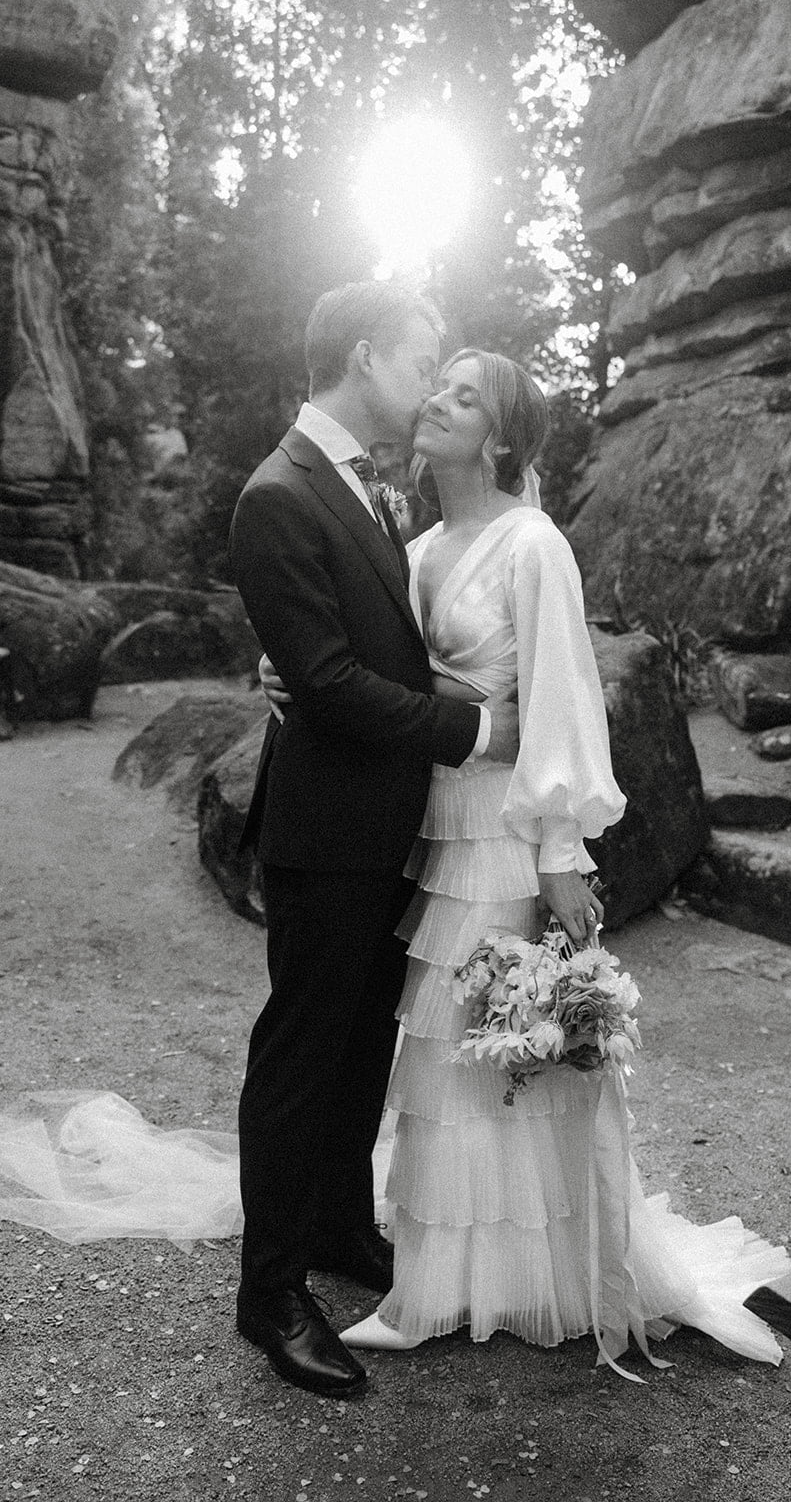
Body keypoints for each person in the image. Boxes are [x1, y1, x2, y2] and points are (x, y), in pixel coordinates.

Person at [315, 348, 791, 1367]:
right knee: (460, 1049)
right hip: (429, 825)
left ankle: (437, 1295)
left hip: (501, 832)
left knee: (476, 1045)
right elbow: (379, 679)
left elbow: (564, 703)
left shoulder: (533, 545)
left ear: (498, 437)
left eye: (463, 397)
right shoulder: (418, 546)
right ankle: (484, 1273)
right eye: (437, 386)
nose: (436, 402)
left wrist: (561, 854)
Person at [225, 285, 518, 1400]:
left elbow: (359, 643)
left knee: (360, 1045)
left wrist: (292, 665)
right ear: (363, 357)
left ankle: (340, 1227)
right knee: (301, 1054)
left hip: (386, 822)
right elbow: (334, 682)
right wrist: (477, 731)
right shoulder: (277, 493)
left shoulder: (362, 484)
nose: (431, 383)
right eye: (420, 361)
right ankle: (269, 1293)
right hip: (323, 827)